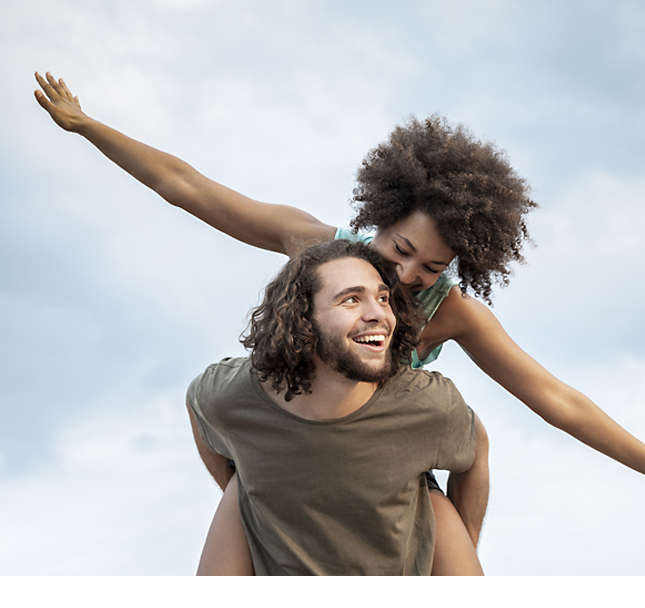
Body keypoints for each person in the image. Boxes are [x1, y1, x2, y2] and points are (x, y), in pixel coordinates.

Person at [34, 71, 645, 574]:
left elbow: (556, 399)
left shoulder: (451, 313)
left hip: (390, 466)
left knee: (468, 443)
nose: (403, 278)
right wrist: (90, 127)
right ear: (379, 218)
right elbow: (187, 188)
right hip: (292, 436)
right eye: (399, 251)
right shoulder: (316, 246)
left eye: (430, 267)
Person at [187, 237, 484, 575]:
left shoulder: (425, 405)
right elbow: (199, 407)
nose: (378, 314)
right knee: (240, 490)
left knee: (434, 502)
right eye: (351, 300)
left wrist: (465, 541)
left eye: (383, 298)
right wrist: (248, 489)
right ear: (303, 318)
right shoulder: (233, 394)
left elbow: (476, 448)